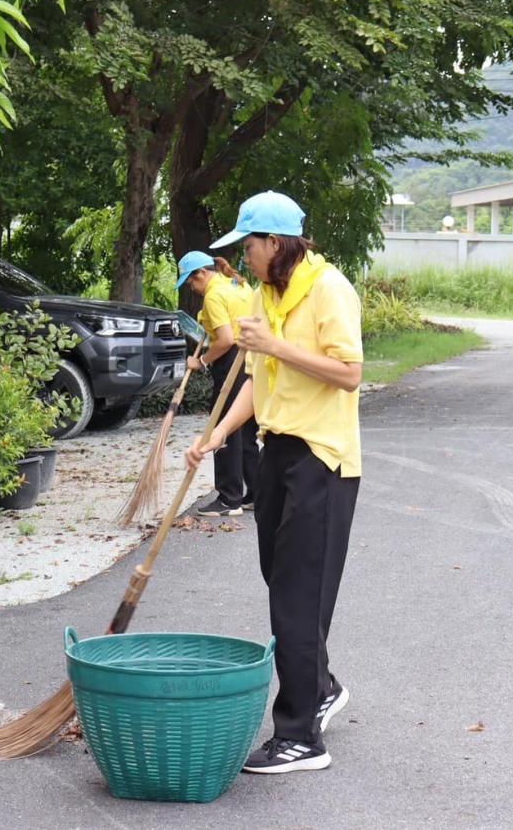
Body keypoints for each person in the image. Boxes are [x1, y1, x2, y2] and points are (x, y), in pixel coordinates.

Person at [187, 191, 362, 774]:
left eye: (249, 244)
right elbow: (260, 382)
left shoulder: (329, 289)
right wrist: (217, 437)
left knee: (296, 593)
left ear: (276, 243)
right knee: (279, 580)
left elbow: (349, 374)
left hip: (323, 457)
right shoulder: (266, 294)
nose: (244, 256)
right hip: (276, 453)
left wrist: (275, 345)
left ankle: (301, 735)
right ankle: (323, 685)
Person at [175, 251, 258, 516]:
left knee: (223, 429)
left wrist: (202, 361)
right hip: (251, 358)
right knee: (245, 432)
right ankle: (255, 494)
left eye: (191, 282)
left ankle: (228, 499)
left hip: (230, 360)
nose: (192, 288)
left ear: (201, 273)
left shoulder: (213, 295)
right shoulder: (237, 284)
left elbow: (224, 339)